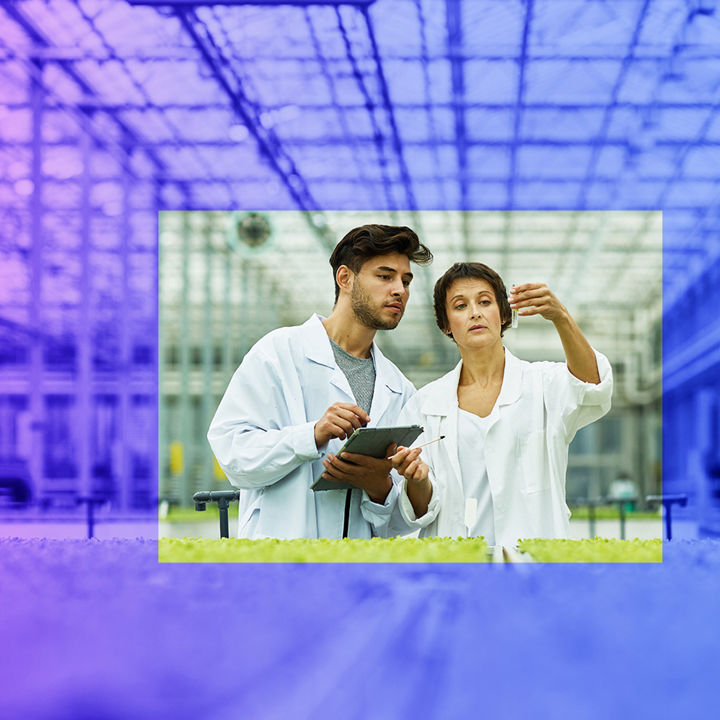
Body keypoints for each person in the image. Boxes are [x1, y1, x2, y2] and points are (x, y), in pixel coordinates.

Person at [207, 224, 432, 539]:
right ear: (345, 279)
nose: (400, 290)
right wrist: (311, 435)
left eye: (406, 281)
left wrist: (379, 486)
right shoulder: (278, 353)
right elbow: (233, 454)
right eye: (385, 276)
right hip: (281, 563)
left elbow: (398, 524)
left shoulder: (399, 388)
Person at [388, 262, 613, 546]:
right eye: (460, 306)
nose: (475, 312)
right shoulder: (425, 404)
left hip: (534, 565)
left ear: (504, 314)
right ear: (445, 324)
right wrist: (417, 481)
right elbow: (421, 508)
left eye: (485, 301)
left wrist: (561, 317)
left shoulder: (542, 383)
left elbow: (593, 386)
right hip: (459, 565)